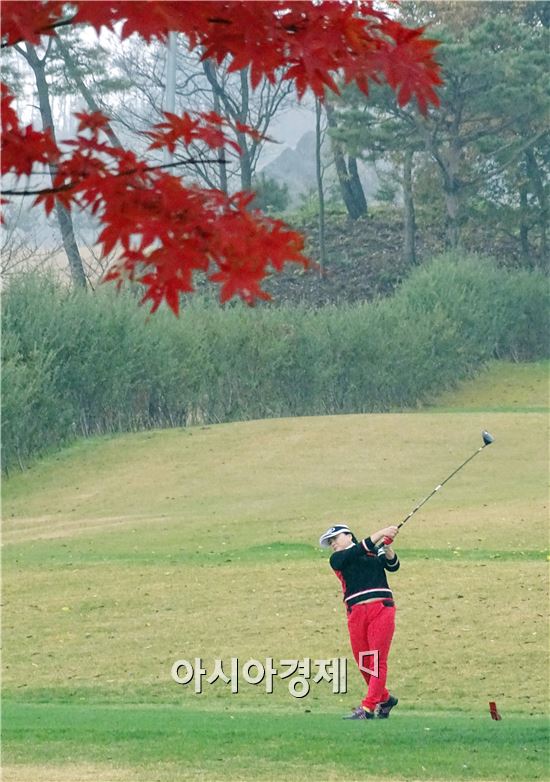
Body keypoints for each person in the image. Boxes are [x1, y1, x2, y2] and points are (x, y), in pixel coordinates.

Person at [319, 522, 400, 720]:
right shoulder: (338, 559)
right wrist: (382, 532)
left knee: (377, 659)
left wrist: (387, 548)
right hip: (355, 613)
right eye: (330, 542)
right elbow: (357, 550)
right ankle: (386, 699)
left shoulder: (372, 551)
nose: (333, 544)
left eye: (335, 539)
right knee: (364, 662)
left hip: (381, 608)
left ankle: (368, 708)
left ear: (348, 535)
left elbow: (393, 566)